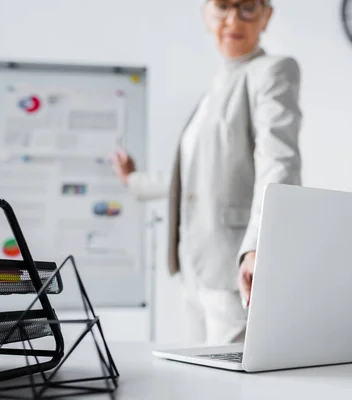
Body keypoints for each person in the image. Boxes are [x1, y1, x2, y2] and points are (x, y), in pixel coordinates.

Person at [112, 0, 302, 345]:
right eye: (223, 6)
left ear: (266, 16)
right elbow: (191, 179)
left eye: (247, 8)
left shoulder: (272, 72)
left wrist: (259, 246)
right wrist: (133, 180)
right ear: (206, 14)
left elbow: (278, 161)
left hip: (234, 268)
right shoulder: (213, 90)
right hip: (193, 267)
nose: (233, 19)